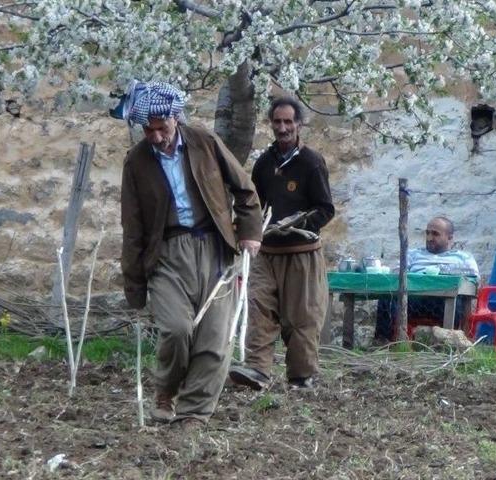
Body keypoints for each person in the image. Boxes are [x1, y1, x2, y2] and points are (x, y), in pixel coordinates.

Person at [117, 81, 263, 427]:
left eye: (161, 127)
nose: (155, 136)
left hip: (213, 247)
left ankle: (194, 413)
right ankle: (166, 392)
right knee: (176, 329)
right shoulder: (136, 162)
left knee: (214, 338)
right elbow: (132, 225)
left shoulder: (204, 141)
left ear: (176, 119)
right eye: (147, 130)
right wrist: (134, 283)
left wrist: (250, 233)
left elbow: (244, 188)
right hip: (166, 253)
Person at [228, 97, 334, 391]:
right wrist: (249, 230)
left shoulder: (312, 163)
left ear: (299, 124)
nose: (283, 128)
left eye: (289, 122)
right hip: (268, 253)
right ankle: (257, 370)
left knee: (302, 318)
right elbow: (253, 205)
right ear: (271, 124)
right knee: (259, 309)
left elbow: (325, 209)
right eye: (277, 122)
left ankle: (301, 377)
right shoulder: (264, 164)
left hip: (301, 254)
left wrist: (298, 223)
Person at [373, 216, 480, 342]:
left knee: (456, 303)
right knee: (387, 298)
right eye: (427, 233)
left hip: (445, 301)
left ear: (450, 238)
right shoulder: (413, 254)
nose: (429, 238)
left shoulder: (463, 258)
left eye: (435, 234)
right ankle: (383, 343)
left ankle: (450, 345)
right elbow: (396, 276)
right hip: (414, 300)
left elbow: (473, 282)